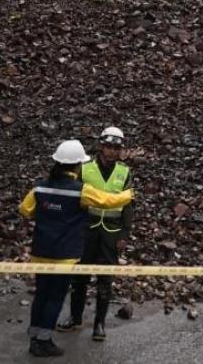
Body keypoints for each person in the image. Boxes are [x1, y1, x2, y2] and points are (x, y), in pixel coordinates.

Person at [19, 140, 134, 357]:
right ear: (76, 167)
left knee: (41, 295)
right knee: (55, 297)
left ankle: (34, 337)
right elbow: (108, 201)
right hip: (63, 256)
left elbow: (25, 210)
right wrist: (129, 194)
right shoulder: (80, 191)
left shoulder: (39, 187)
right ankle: (44, 341)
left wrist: (47, 214)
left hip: (40, 252)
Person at [58, 126, 133, 341]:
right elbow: (73, 198)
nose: (111, 151)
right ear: (101, 146)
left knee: (105, 279)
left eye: (116, 148)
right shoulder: (85, 168)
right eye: (108, 146)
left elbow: (128, 205)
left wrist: (124, 236)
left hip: (111, 231)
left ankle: (99, 324)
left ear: (121, 150)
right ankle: (75, 317)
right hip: (86, 229)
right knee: (79, 277)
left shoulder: (124, 172)